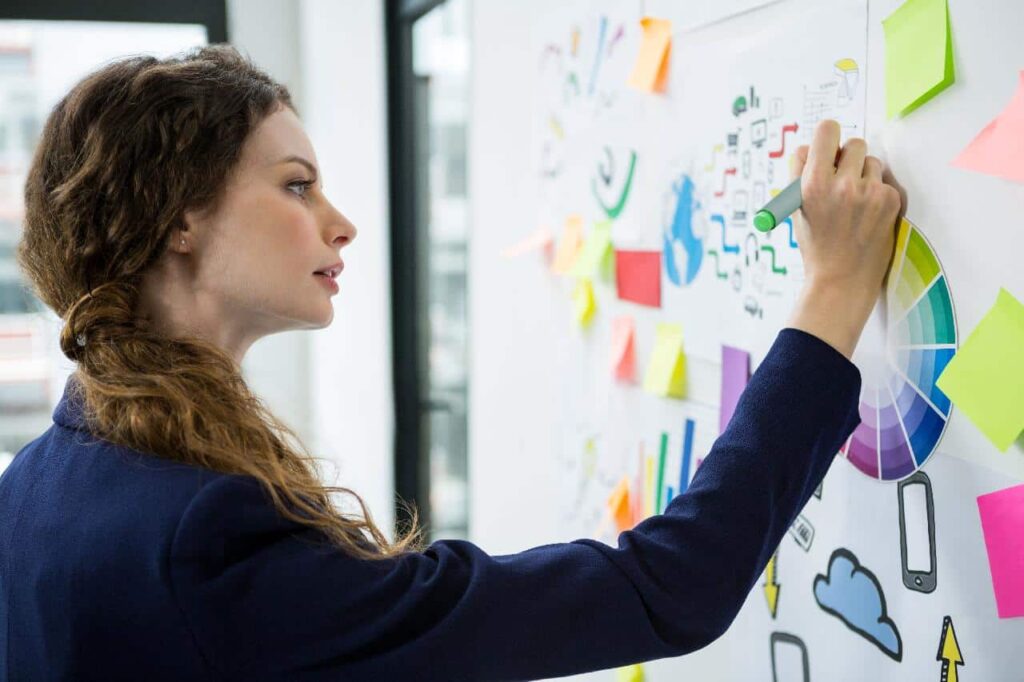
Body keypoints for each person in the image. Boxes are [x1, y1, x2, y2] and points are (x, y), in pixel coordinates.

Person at [0, 45, 902, 680]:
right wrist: (833, 296)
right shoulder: (208, 542)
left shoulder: (39, 480)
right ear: (179, 220)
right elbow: (668, 591)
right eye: (296, 185)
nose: (340, 222)